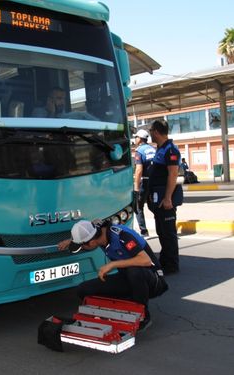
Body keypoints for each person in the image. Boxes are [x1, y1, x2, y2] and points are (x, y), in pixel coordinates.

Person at [57, 220, 168, 330]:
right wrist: (71, 241)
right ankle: (115, 310)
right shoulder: (97, 233)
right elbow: (89, 227)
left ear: (91, 243)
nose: (83, 249)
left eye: (82, 247)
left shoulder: (122, 236)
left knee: (134, 271)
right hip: (127, 279)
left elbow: (146, 260)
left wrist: (112, 265)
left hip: (153, 280)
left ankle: (143, 315)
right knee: (83, 289)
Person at [146, 119, 183, 274]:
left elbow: (173, 174)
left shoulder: (170, 150)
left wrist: (168, 198)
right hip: (157, 198)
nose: (149, 135)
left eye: (150, 132)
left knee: (168, 233)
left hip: (164, 198)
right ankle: (165, 260)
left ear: (156, 131)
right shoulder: (160, 149)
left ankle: (171, 265)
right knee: (162, 231)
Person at [132, 129, 155, 237]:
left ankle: (144, 231)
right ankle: (162, 226)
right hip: (154, 181)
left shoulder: (139, 151)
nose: (135, 139)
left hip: (144, 182)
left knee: (138, 207)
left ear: (140, 139)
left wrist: (136, 187)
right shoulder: (153, 149)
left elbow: (139, 170)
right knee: (153, 206)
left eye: (136, 137)